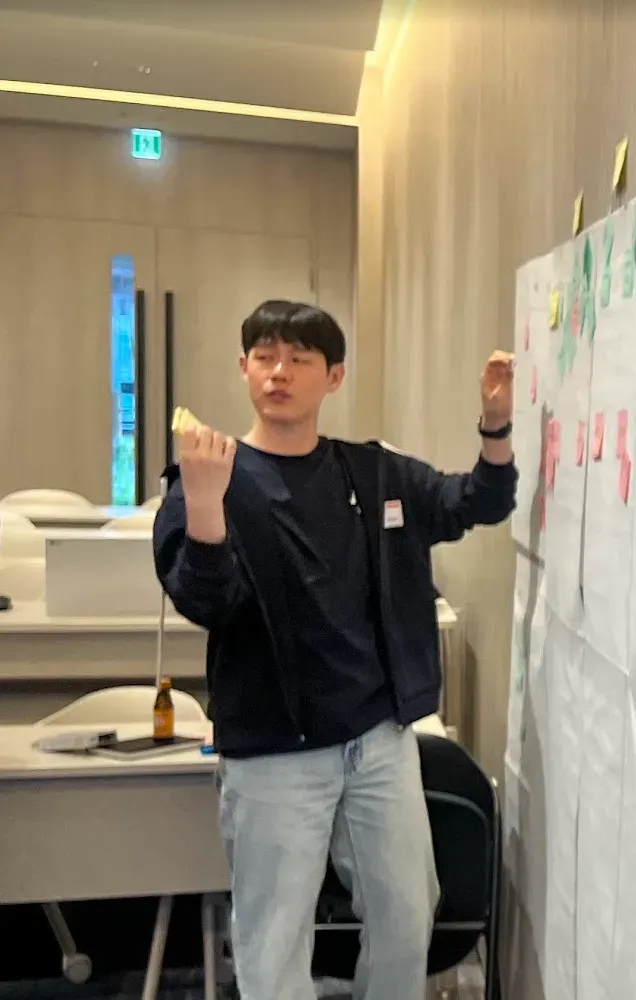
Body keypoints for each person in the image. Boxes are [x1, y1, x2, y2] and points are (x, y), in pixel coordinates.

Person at [153, 300, 517, 1000]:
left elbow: (478, 501)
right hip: (273, 751)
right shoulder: (210, 476)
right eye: (265, 357)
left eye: (299, 359)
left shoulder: (373, 474)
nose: (279, 372)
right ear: (243, 368)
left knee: (407, 916)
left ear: (334, 377)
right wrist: (202, 507)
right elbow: (205, 602)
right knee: (274, 941)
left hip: (377, 740)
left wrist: (495, 427)